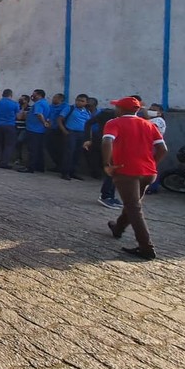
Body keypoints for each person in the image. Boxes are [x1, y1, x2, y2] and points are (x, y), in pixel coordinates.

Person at [102, 96, 167, 260]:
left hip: (127, 171)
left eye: (117, 107)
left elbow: (107, 142)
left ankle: (146, 247)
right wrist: (153, 163)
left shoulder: (114, 123)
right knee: (133, 202)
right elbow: (163, 149)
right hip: (148, 172)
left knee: (134, 208)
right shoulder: (149, 124)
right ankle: (118, 228)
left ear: (121, 110)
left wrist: (107, 164)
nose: (116, 109)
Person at [58, 93, 91, 180]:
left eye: (82, 101)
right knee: (69, 153)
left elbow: (88, 124)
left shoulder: (87, 111)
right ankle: (65, 172)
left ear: (86, 103)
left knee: (78, 153)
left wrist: (88, 137)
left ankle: (73, 172)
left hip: (82, 134)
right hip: (71, 133)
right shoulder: (70, 108)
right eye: (78, 100)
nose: (79, 102)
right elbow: (60, 119)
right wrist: (64, 131)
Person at [18, 89, 51, 173]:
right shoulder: (45, 103)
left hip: (34, 130)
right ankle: (40, 166)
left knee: (32, 149)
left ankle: (30, 167)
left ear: (39, 95)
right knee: (39, 149)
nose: (32, 96)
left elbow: (39, 114)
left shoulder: (39, 104)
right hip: (40, 130)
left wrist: (44, 123)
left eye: (34, 95)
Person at [0, 89, 20, 169]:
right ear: (11, 95)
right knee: (9, 145)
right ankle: (4, 163)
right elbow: (18, 116)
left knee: (1, 144)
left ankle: (0, 161)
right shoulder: (14, 104)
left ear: (3, 94)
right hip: (9, 125)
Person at [145, 103, 167, 194]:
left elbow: (150, 129)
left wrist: (145, 114)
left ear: (160, 112)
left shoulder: (159, 120)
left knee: (152, 167)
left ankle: (152, 187)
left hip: (154, 146)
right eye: (150, 109)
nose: (151, 111)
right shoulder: (151, 120)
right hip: (147, 146)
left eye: (154, 110)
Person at [45, 93, 67, 171]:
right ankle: (57, 164)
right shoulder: (50, 107)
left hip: (59, 130)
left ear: (61, 99)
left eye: (55, 98)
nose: (53, 99)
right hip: (50, 129)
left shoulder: (65, 107)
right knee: (50, 147)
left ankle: (61, 165)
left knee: (59, 149)